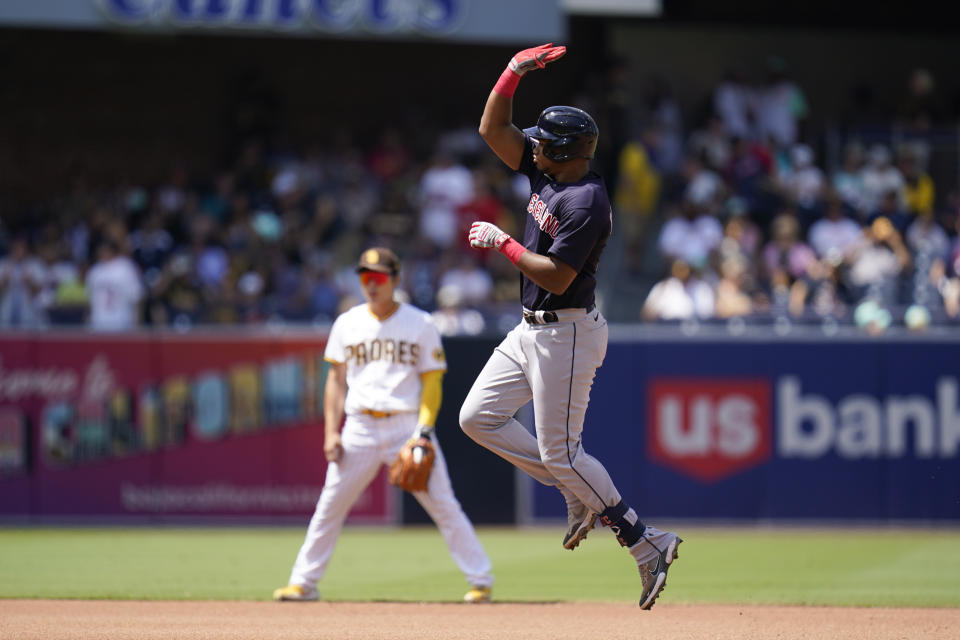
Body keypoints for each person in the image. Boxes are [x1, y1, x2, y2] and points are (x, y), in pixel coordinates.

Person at [458, 43, 681, 610]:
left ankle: (644, 539)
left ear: (560, 152)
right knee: (476, 417)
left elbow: (557, 276)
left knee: (563, 453)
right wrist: (513, 71)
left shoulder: (586, 201)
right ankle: (576, 490)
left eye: (540, 142)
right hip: (531, 330)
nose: (529, 145)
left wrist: (502, 242)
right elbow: (493, 126)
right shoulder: (549, 173)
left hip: (568, 331)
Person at [273, 247, 494, 604]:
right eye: (365, 277)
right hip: (359, 426)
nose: (370, 284)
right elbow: (335, 381)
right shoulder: (347, 322)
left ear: (395, 279)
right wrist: (331, 431)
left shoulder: (420, 323)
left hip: (407, 425)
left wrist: (423, 430)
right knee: (330, 505)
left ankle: (481, 580)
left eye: (377, 277)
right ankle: (303, 583)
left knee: (443, 504)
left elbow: (432, 382)